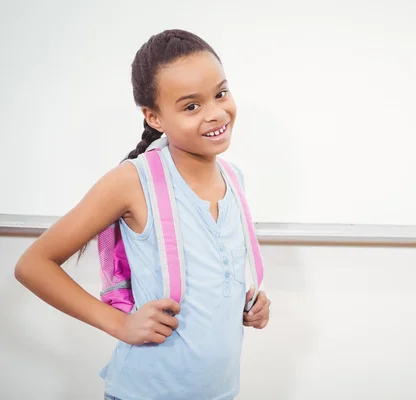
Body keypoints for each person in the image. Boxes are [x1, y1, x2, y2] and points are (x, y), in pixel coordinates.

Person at [14, 29, 271, 400]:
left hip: (221, 393)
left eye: (221, 93)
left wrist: (248, 305)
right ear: (154, 117)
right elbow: (33, 264)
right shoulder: (133, 180)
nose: (216, 112)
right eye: (191, 106)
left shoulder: (235, 178)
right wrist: (119, 324)